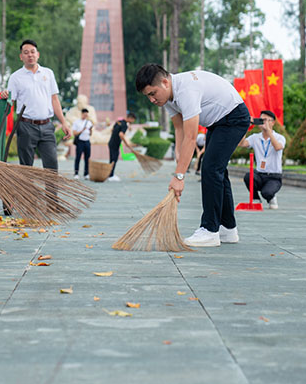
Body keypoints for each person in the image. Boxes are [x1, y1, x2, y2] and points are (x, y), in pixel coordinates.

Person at [135, 64, 249, 248]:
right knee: (218, 171)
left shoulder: (186, 90)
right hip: (217, 123)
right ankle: (228, 228)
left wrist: (179, 177)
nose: (152, 100)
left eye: (153, 93)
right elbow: (179, 129)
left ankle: (210, 230)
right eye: (148, 96)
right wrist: (180, 163)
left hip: (234, 118)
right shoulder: (167, 98)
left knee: (211, 169)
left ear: (165, 82)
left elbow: (191, 136)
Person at [3, 39, 71, 170]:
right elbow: (10, 101)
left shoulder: (48, 73)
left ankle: (51, 192)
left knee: (51, 166)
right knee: (26, 168)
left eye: (32, 52)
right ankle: (27, 191)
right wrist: (5, 96)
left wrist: (63, 122)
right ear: (21, 56)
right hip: (25, 126)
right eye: (26, 53)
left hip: (47, 126)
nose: (30, 55)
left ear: (38, 54)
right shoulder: (15, 77)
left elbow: (54, 99)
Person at [240, 109, 285, 209]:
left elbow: (278, 147)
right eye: (261, 120)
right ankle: (256, 198)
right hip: (260, 174)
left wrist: (269, 131)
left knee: (267, 193)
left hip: (274, 176)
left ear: (272, 122)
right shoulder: (255, 137)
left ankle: (271, 197)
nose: (263, 122)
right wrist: (245, 127)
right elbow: (242, 144)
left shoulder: (279, 137)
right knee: (248, 176)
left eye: (265, 120)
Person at [107, 112, 136, 182]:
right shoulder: (125, 125)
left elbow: (112, 130)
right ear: (130, 118)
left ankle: (110, 174)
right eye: (133, 120)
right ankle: (111, 175)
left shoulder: (119, 122)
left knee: (112, 159)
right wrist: (126, 144)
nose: (132, 122)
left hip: (111, 142)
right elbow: (121, 134)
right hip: (115, 144)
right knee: (114, 159)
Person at [71, 108, 92, 180]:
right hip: (80, 142)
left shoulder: (89, 122)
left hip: (87, 141)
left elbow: (90, 133)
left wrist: (90, 130)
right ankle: (76, 173)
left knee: (87, 158)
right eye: (84, 114)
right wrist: (82, 130)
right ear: (82, 114)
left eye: (87, 115)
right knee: (78, 158)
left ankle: (86, 173)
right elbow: (74, 133)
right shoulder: (77, 122)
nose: (85, 116)